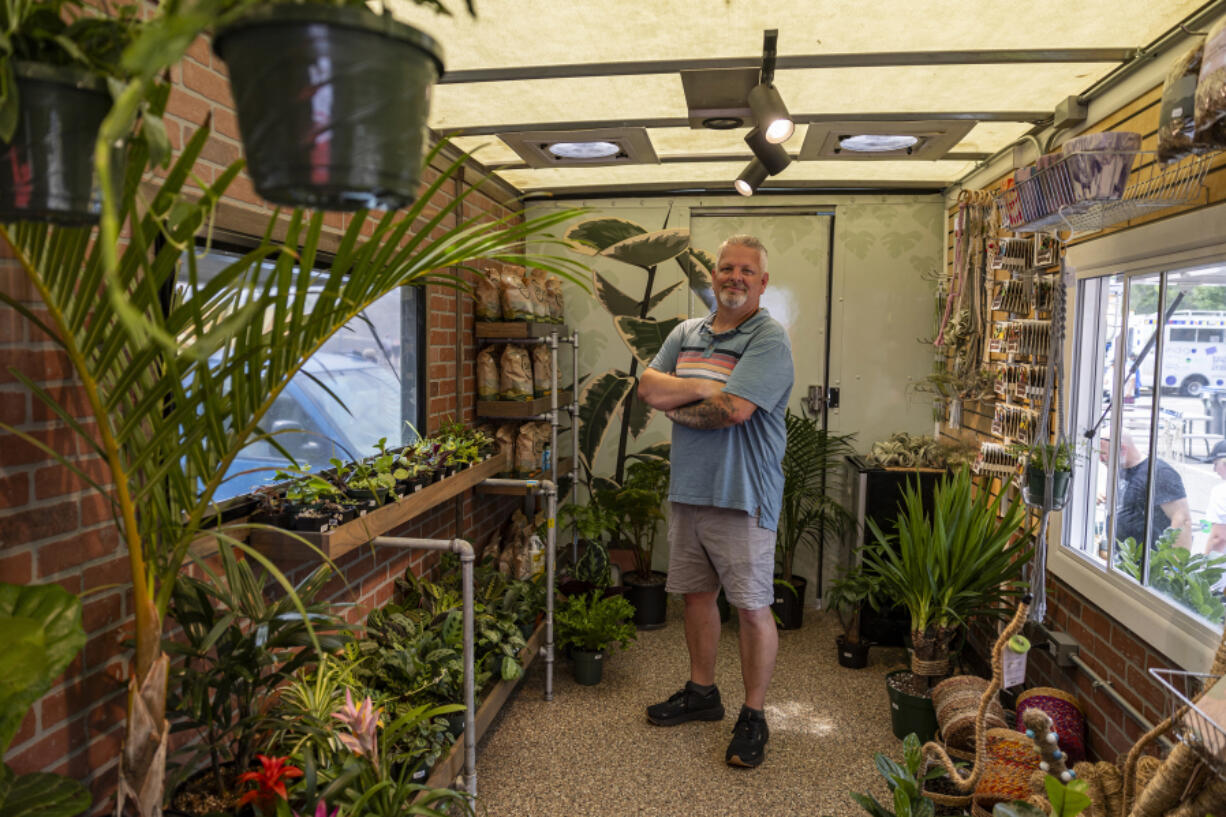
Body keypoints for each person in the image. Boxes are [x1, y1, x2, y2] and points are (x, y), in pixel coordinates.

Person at [636, 234, 794, 769]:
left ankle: (753, 716)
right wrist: (708, 389)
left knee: (751, 607)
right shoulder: (686, 332)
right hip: (689, 491)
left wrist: (688, 394)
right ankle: (702, 693)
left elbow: (734, 411)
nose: (735, 277)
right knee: (697, 597)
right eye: (727, 268)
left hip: (742, 494)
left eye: (747, 271)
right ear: (714, 275)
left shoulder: (769, 339)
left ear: (762, 281)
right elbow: (647, 389)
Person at [1103, 430, 1191, 550]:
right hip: (1123, 558)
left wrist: (1175, 566)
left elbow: (1182, 520)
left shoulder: (1159, 473)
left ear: (1122, 449)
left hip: (1149, 561)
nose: (1100, 458)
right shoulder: (1120, 467)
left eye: (1103, 454)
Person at [1203, 441, 1226, 554]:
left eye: (1216, 464)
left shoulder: (1221, 492)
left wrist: (1203, 565)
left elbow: (1219, 537)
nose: (1214, 470)